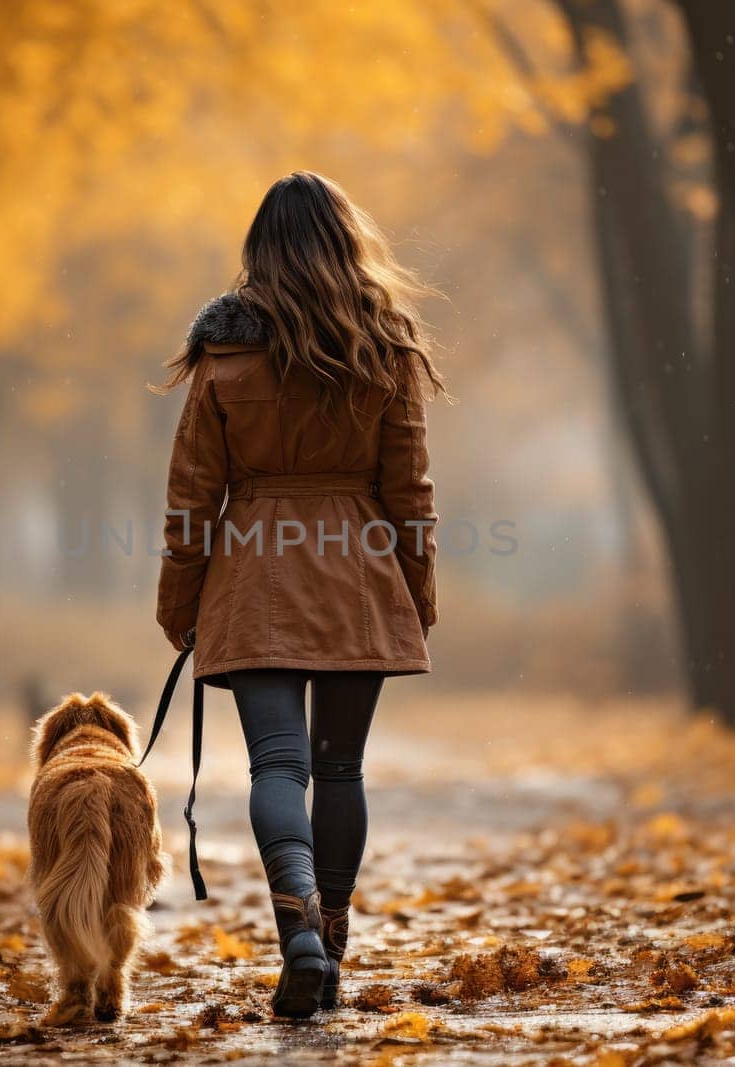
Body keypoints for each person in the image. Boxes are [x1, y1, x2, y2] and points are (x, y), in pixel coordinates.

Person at [155, 171, 443, 1019]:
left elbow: (191, 495)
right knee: (340, 766)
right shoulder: (383, 346)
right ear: (346, 241)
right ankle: (335, 940)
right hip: (358, 570)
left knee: (276, 764)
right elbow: (411, 491)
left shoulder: (225, 354)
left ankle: (299, 938)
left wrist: (180, 604)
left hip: (252, 576)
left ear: (259, 250)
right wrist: (415, 595)